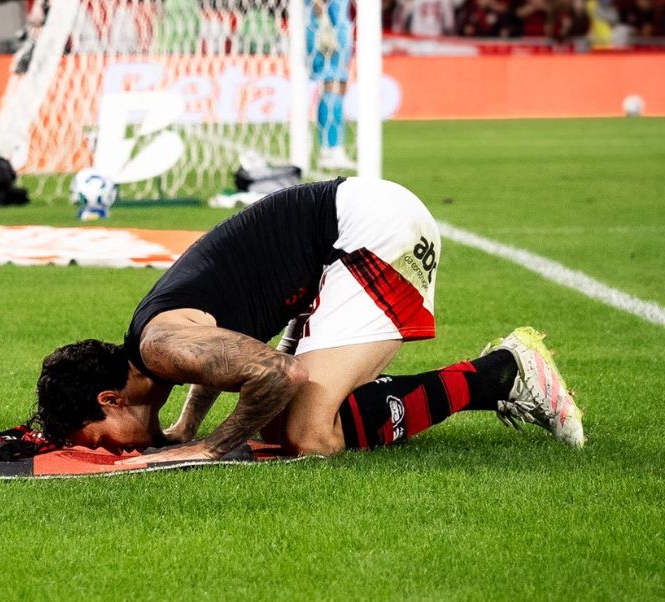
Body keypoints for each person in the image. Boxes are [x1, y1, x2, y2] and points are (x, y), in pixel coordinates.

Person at [34, 178, 585, 462]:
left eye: (99, 439)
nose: (112, 449)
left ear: (110, 399)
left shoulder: (159, 346)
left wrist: (208, 447)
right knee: (275, 421)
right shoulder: (157, 342)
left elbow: (274, 372)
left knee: (309, 435)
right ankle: (495, 382)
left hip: (366, 233)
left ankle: (501, 374)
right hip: (346, 234)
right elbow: (223, 358)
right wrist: (186, 425)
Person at [306, 0, 353, 170]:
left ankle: (332, 148)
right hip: (325, 21)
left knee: (337, 84)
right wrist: (322, 17)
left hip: (335, 21)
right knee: (332, 82)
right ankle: (330, 150)